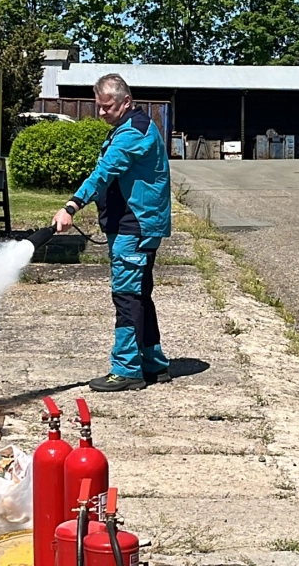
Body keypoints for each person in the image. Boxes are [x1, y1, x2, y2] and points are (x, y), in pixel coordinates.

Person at [53, 74, 173, 392]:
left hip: (135, 227)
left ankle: (127, 369)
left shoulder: (133, 131)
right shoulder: (130, 127)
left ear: (126, 102)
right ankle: (153, 363)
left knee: (126, 297)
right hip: (136, 225)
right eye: (99, 107)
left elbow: (104, 173)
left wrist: (71, 206)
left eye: (106, 107)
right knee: (139, 295)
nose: (101, 113)